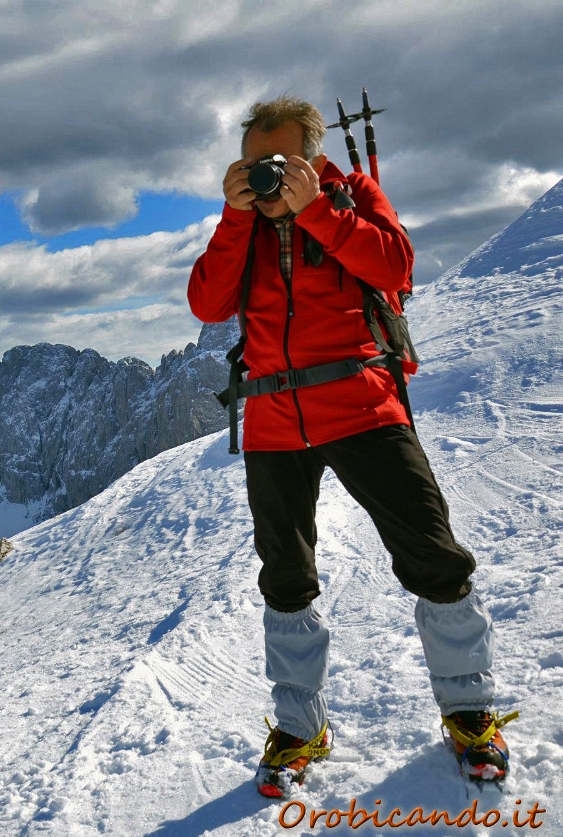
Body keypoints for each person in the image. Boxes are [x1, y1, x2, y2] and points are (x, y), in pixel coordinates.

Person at [185, 95, 515, 798]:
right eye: (251, 166)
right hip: (275, 417)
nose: (264, 176)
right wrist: (234, 215)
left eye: (276, 163)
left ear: (312, 156)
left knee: (434, 556)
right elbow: (210, 305)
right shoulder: (241, 223)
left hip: (363, 404)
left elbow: (395, 267)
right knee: (285, 577)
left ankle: (470, 715)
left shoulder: (352, 198)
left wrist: (316, 211)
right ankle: (300, 729)